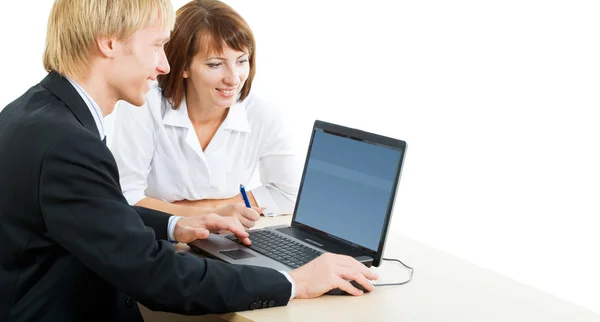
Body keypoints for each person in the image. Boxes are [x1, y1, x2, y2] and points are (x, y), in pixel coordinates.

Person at [0, 0, 377, 321]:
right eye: (156, 46)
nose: (164, 65)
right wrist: (296, 282)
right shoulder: (69, 143)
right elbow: (155, 276)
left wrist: (176, 224)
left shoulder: (33, 113)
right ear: (109, 43)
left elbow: (93, 214)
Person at [110, 0, 301, 220]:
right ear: (183, 67)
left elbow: (288, 193)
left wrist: (211, 210)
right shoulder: (144, 104)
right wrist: (211, 215)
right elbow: (125, 196)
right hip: (158, 238)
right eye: (215, 64)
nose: (233, 78)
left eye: (241, 61)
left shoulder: (262, 114)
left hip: (227, 237)